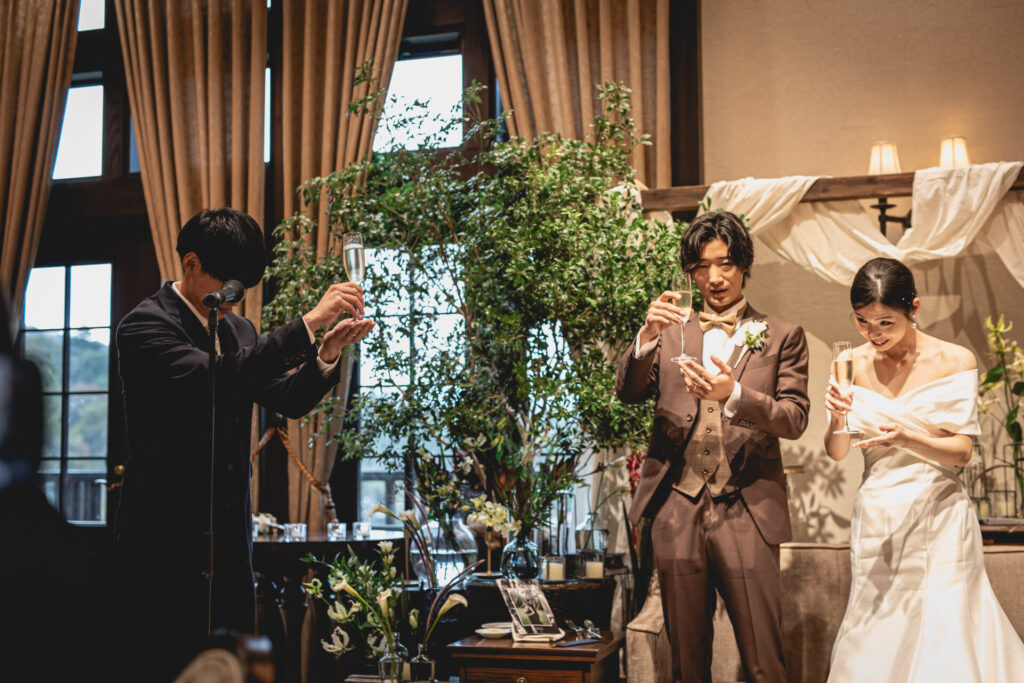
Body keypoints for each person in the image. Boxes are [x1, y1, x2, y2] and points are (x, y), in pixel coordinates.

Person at [113, 208, 375, 681]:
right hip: (163, 541)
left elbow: (287, 399)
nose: (235, 301)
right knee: (165, 664)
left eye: (244, 289)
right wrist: (309, 321)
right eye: (229, 287)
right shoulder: (144, 326)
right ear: (191, 263)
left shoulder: (240, 330)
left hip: (230, 545)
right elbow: (213, 378)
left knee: (232, 666)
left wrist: (326, 353)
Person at [616, 210, 810, 683]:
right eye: (701, 267)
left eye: (725, 263)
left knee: (764, 660)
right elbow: (629, 392)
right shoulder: (670, 332)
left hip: (747, 507)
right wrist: (646, 337)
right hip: (676, 508)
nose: (714, 278)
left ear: (744, 264)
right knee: (686, 660)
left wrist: (736, 395)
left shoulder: (782, 335)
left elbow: (794, 418)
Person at [824, 257, 1024, 681]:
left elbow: (962, 453)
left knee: (946, 624)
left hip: (939, 513)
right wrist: (836, 417)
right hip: (877, 514)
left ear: (913, 308)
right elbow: (837, 452)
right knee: (875, 626)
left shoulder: (955, 360)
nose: (873, 334)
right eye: (862, 322)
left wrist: (907, 439)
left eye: (885, 322)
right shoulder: (849, 362)